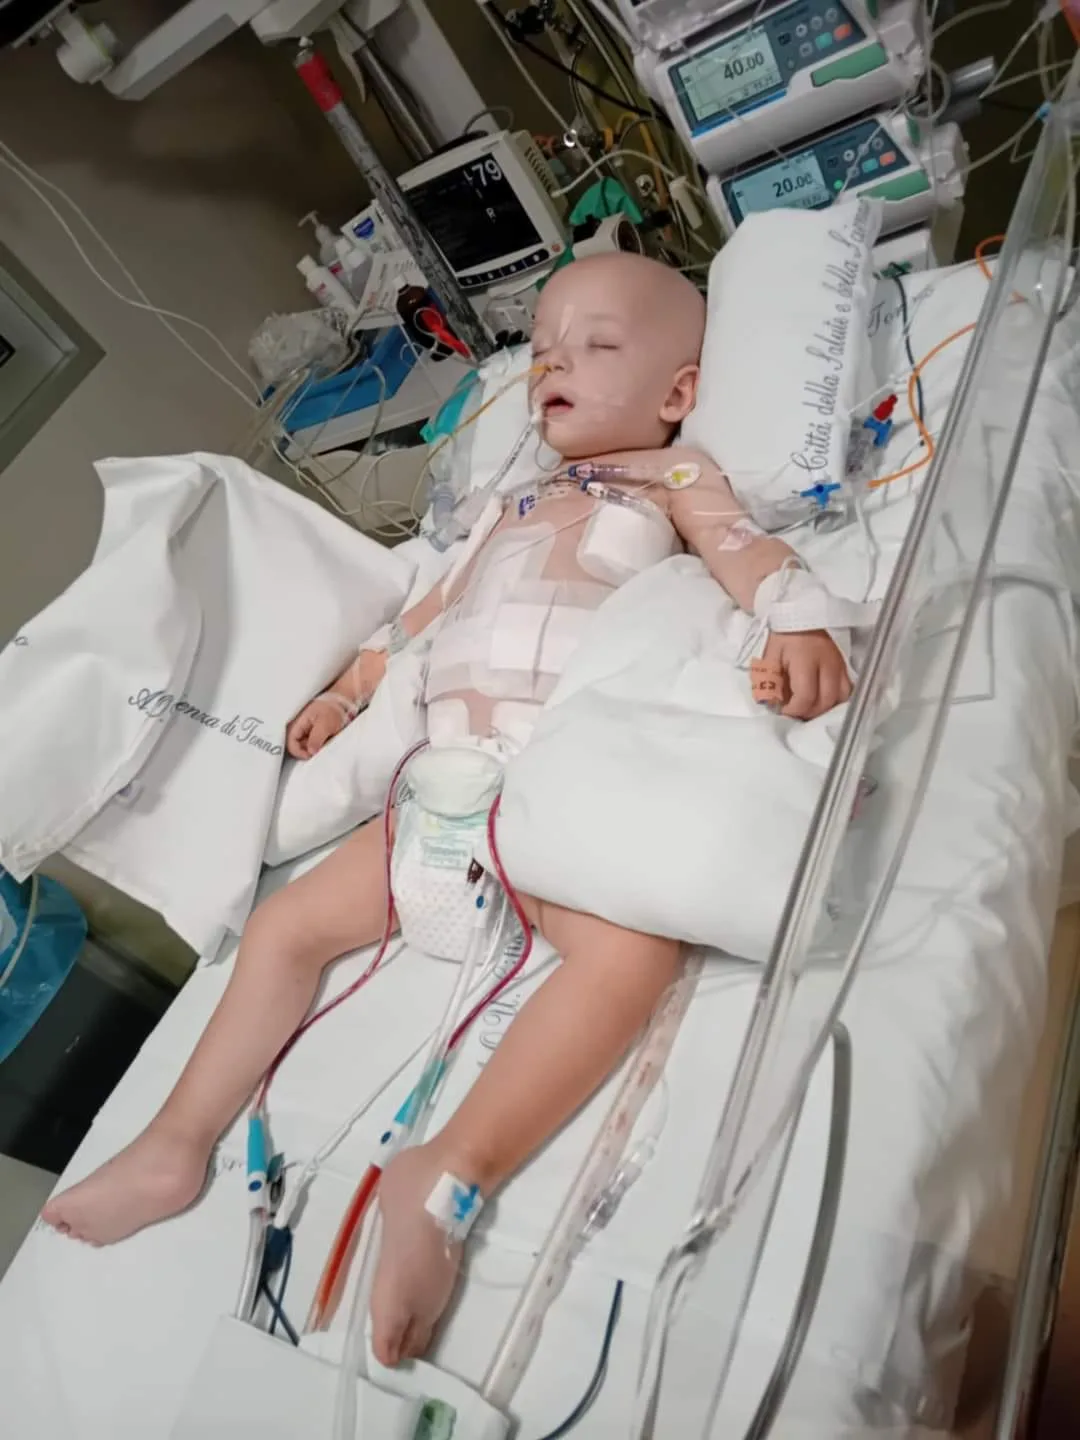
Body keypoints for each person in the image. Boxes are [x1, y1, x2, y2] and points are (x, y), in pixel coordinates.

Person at [43, 253, 851, 1367]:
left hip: (558, 782)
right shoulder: (505, 503)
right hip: (447, 779)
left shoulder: (672, 476)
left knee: (629, 957)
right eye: (546, 351)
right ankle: (175, 1143)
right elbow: (422, 616)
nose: (555, 367)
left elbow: (744, 551)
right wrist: (345, 692)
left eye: (596, 347)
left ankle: (448, 1174)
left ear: (678, 392)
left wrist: (799, 619)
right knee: (284, 928)